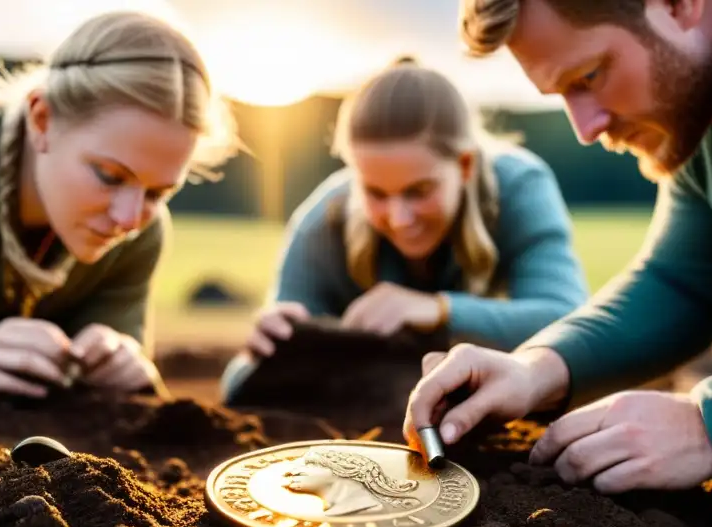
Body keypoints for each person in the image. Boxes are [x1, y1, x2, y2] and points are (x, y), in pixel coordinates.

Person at [405, 0, 712, 496]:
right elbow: (684, 281)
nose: (586, 128)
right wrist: (536, 368)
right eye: (562, 94)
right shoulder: (700, 109)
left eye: (588, 75)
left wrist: (711, 423)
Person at [0, 11, 239, 404]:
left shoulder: (139, 236)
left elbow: (113, 395)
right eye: (109, 175)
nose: (128, 219)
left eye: (157, 193)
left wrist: (120, 362)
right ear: (42, 119)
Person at [219, 56, 588, 402]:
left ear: (463, 166)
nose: (399, 218)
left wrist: (439, 310)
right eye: (375, 192)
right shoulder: (324, 219)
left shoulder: (519, 186)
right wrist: (264, 347)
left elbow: (570, 323)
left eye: (419, 191)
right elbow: (239, 386)